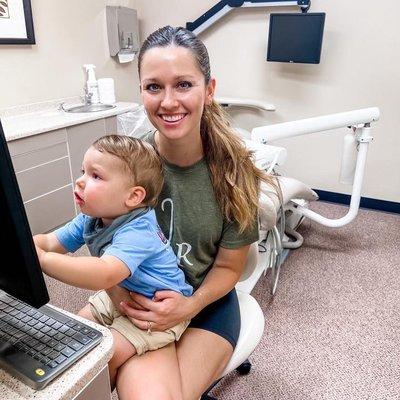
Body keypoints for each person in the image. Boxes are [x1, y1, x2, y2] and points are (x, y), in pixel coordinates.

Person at [106, 26, 279, 400]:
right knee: (72, 373)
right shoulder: (124, 164)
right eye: (153, 87)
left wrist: (185, 307)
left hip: (205, 306)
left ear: (209, 89)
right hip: (137, 299)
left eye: (183, 84)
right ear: (140, 91)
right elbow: (101, 245)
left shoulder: (235, 174)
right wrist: (133, 306)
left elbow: (230, 268)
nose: (168, 102)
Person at [33, 134, 193, 388]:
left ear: (133, 197)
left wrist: (44, 260)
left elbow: (104, 273)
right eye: (83, 171)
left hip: (153, 311)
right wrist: (26, 246)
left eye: (95, 176)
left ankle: (94, 392)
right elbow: (52, 242)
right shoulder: (93, 216)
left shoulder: (139, 231)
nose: (80, 181)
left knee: (99, 358)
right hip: (118, 296)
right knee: (73, 336)